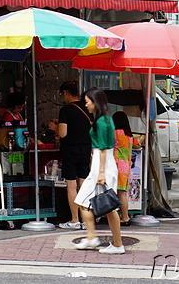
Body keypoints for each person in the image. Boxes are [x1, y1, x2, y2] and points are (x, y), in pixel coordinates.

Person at [73, 87, 124, 254]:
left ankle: (95, 238)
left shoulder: (101, 121)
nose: (86, 105)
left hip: (101, 167)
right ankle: (111, 242)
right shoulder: (106, 119)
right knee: (107, 207)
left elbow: (102, 148)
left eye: (87, 102)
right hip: (105, 166)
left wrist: (100, 173)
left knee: (84, 202)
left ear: (95, 102)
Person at [48, 80, 92, 230]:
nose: (62, 97)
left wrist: (55, 127)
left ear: (66, 93)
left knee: (72, 187)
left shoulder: (66, 110)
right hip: (86, 150)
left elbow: (63, 133)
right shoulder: (87, 108)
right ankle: (86, 220)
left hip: (70, 151)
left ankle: (74, 220)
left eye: (62, 94)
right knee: (84, 186)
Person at [112, 111, 142, 226]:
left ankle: (123, 217)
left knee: (115, 192)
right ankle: (125, 216)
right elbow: (138, 145)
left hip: (116, 165)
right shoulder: (129, 136)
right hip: (126, 167)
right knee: (122, 193)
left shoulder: (115, 133)